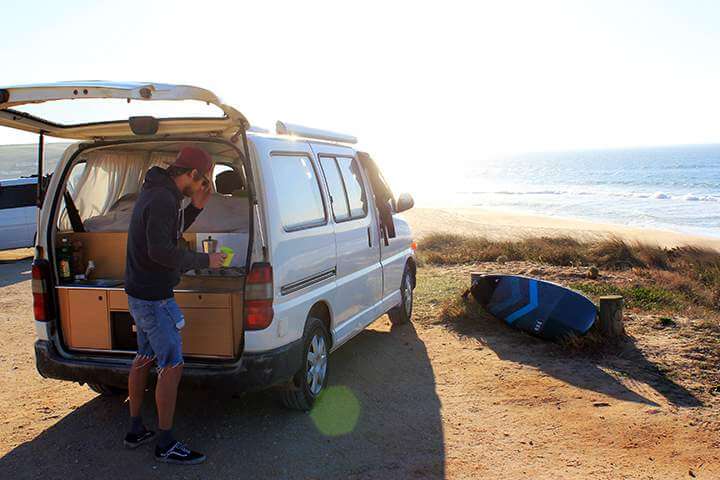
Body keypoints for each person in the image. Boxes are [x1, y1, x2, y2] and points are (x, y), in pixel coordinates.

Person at [122, 146, 226, 465]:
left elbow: (167, 233)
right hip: (154, 297)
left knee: (144, 356)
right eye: (202, 181)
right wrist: (205, 260)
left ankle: (136, 428)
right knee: (172, 364)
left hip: (140, 292)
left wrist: (195, 208)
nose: (202, 187)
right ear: (192, 174)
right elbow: (162, 252)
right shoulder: (164, 198)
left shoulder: (157, 192)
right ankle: (165, 442)